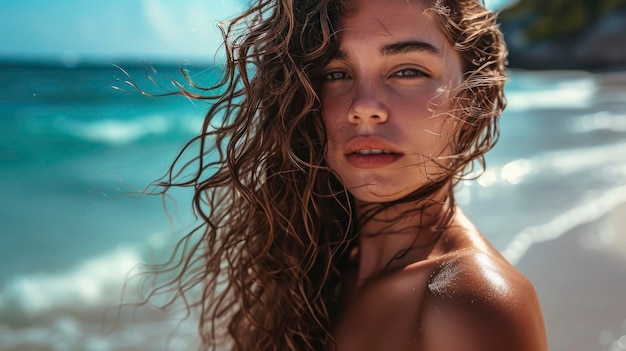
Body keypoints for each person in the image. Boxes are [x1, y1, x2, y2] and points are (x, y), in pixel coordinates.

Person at [148, 0, 548, 350]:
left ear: (473, 98)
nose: (363, 106)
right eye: (336, 73)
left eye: (408, 71)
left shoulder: (469, 303)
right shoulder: (319, 270)